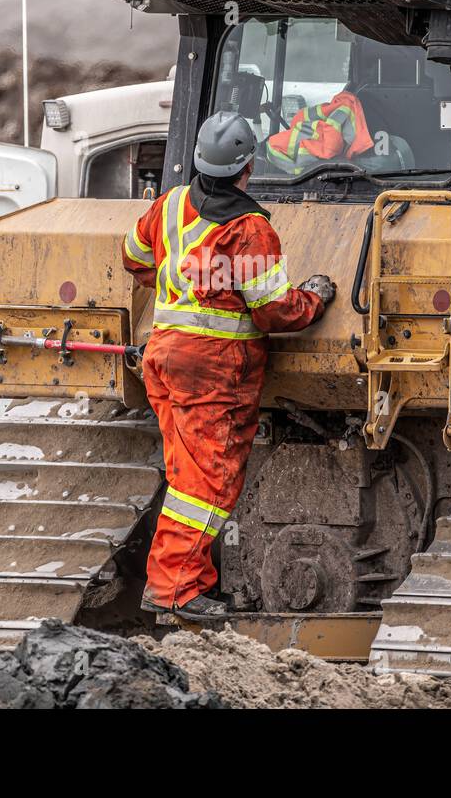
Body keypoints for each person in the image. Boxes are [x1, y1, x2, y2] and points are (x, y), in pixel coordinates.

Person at [121, 111, 336, 622]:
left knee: (184, 476)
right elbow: (274, 311)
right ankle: (172, 589)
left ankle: (187, 584)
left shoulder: (169, 204)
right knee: (208, 484)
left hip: (163, 358)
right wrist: (316, 298)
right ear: (248, 167)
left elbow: (134, 257)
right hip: (213, 372)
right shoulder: (250, 228)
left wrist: (180, 281)